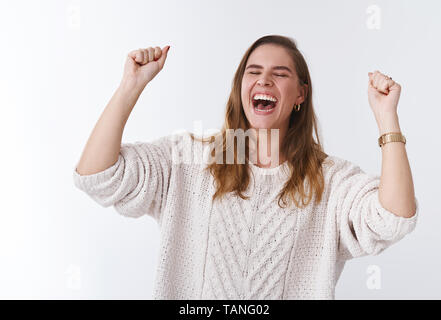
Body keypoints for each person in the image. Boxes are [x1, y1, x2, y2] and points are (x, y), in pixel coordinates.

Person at [73, 35, 419, 299]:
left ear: (300, 94)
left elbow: (392, 220)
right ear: (241, 87)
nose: (264, 80)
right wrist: (130, 87)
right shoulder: (189, 160)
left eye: (279, 74)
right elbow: (98, 176)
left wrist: (387, 117)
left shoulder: (330, 180)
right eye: (253, 72)